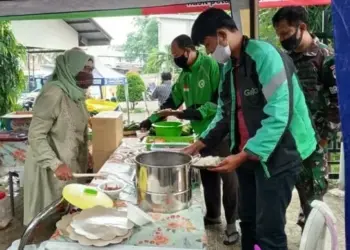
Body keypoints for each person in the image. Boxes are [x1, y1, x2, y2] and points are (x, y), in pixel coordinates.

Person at [187, 8, 317, 250]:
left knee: (268, 229)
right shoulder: (229, 68)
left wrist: (244, 155)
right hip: (247, 154)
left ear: (222, 35)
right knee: (247, 220)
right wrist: (198, 144)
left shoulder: (265, 56)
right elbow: (224, 114)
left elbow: (279, 115)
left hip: (281, 153)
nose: (207, 52)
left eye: (207, 44)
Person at [140, 34, 240, 245]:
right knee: (207, 175)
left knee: (228, 178)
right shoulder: (185, 75)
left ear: (189, 50)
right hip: (201, 135)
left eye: (177, 55)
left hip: (221, 132)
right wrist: (150, 120)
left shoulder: (212, 65)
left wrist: (186, 114)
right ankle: (213, 215)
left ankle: (232, 224)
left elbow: (217, 103)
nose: (176, 59)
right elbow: (172, 101)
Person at [272, 6, 340, 229]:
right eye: (279, 35)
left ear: (302, 27)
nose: (282, 39)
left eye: (285, 33)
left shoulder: (326, 57)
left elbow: (337, 104)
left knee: (313, 206)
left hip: (314, 145)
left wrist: (322, 140)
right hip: (289, 142)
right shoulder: (284, 59)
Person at [23, 48, 94, 225]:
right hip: (49, 168)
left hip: (70, 164)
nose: (88, 74)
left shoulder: (77, 95)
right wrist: (55, 164)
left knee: (66, 217)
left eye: (91, 70)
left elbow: (79, 131)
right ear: (70, 68)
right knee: (44, 217)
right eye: (84, 68)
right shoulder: (53, 93)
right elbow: (36, 135)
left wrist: (88, 153)